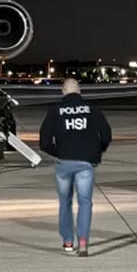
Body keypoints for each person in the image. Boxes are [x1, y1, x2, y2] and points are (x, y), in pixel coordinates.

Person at [39, 78, 112, 257]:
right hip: (85, 163)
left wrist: (59, 152)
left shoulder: (55, 111)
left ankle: (68, 240)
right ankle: (83, 241)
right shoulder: (93, 110)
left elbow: (44, 142)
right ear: (80, 91)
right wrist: (96, 152)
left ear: (63, 92)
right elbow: (106, 135)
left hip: (64, 162)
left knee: (65, 202)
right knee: (85, 202)